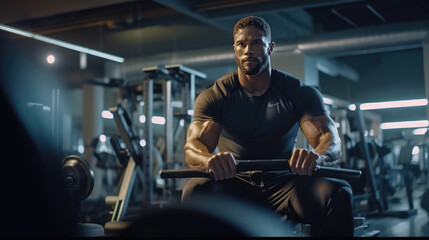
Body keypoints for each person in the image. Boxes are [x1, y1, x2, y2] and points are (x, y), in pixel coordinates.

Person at [181, 16, 354, 237]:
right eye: (242, 44)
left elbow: (330, 140)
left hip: (286, 185)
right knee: (194, 190)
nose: (248, 50)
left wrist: (317, 158)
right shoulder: (216, 95)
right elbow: (192, 148)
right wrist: (209, 160)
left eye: (256, 43)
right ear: (234, 48)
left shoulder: (297, 92)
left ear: (270, 48)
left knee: (339, 193)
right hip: (235, 184)